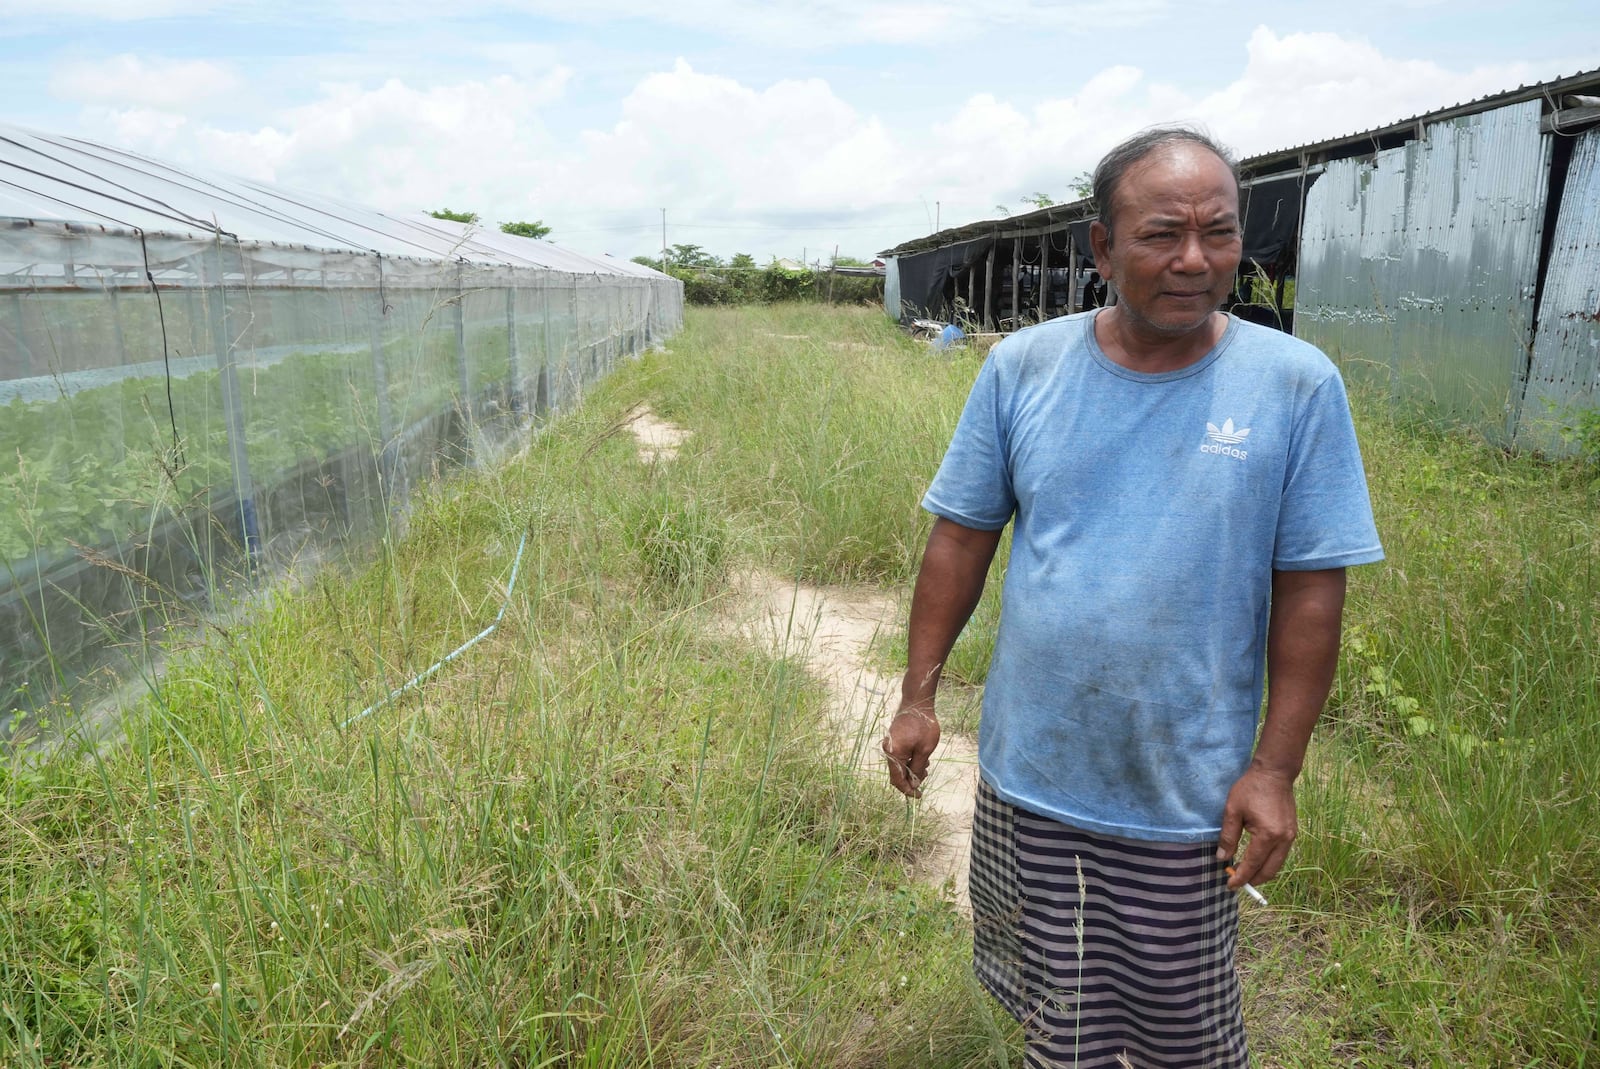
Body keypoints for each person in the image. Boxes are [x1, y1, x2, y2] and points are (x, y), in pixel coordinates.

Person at [882, 127, 1383, 1068]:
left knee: (1179, 1035)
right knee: (1046, 1013)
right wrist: (919, 696)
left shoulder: (1294, 385)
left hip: (1182, 794)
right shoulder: (1023, 368)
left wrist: (1273, 769)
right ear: (1102, 247)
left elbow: (1313, 588)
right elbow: (961, 536)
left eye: (1220, 233)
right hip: (1031, 773)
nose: (1195, 260)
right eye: (1162, 234)